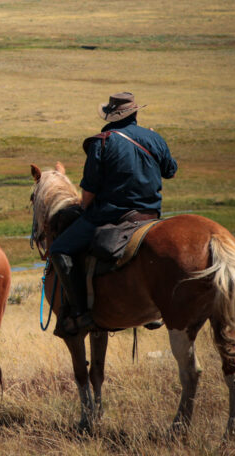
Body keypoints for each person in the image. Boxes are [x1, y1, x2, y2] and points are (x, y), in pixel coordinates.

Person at [49, 92, 178, 337]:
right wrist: (155, 139)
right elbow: (170, 170)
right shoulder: (154, 137)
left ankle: (80, 313)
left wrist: (85, 208)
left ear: (110, 115)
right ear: (136, 113)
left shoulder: (103, 141)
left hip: (111, 216)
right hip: (150, 216)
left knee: (60, 249)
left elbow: (89, 191)